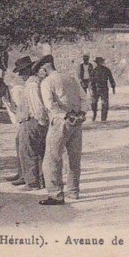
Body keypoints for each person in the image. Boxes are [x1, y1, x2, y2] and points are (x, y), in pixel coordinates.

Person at [36, 55, 88, 205]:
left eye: (41, 70)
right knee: (73, 157)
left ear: (45, 68)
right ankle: (73, 191)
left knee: (52, 158)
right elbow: (85, 98)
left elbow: (50, 105)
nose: (41, 73)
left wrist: (66, 115)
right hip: (77, 122)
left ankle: (56, 195)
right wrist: (82, 113)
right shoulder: (71, 79)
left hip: (61, 122)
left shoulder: (47, 82)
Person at [9, 55, 49, 191]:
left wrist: (40, 120)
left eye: (22, 71)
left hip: (32, 121)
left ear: (28, 70)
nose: (20, 75)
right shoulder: (38, 81)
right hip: (37, 121)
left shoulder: (32, 83)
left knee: (28, 152)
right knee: (40, 152)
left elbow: (36, 105)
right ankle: (43, 180)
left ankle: (32, 183)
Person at [90, 56, 116, 122]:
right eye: (98, 62)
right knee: (93, 103)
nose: (99, 63)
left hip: (104, 88)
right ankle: (94, 114)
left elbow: (111, 78)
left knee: (105, 103)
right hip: (96, 88)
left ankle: (103, 118)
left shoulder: (106, 70)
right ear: (96, 63)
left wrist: (113, 86)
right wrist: (92, 89)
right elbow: (91, 80)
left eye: (100, 62)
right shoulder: (94, 70)